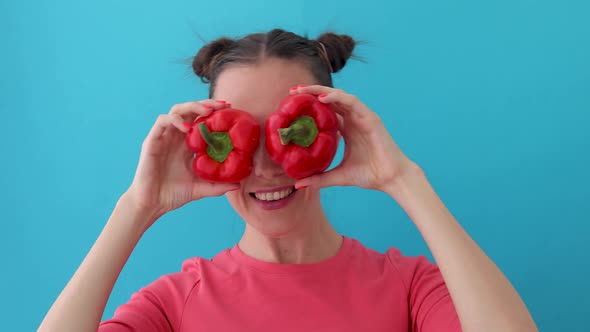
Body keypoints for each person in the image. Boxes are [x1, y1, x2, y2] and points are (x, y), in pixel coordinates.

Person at [38, 29, 538, 332]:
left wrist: (404, 179)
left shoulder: (409, 288)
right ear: (203, 143)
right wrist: (137, 206)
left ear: (334, 127)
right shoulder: (176, 302)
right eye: (239, 136)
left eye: (287, 129)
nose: (264, 165)